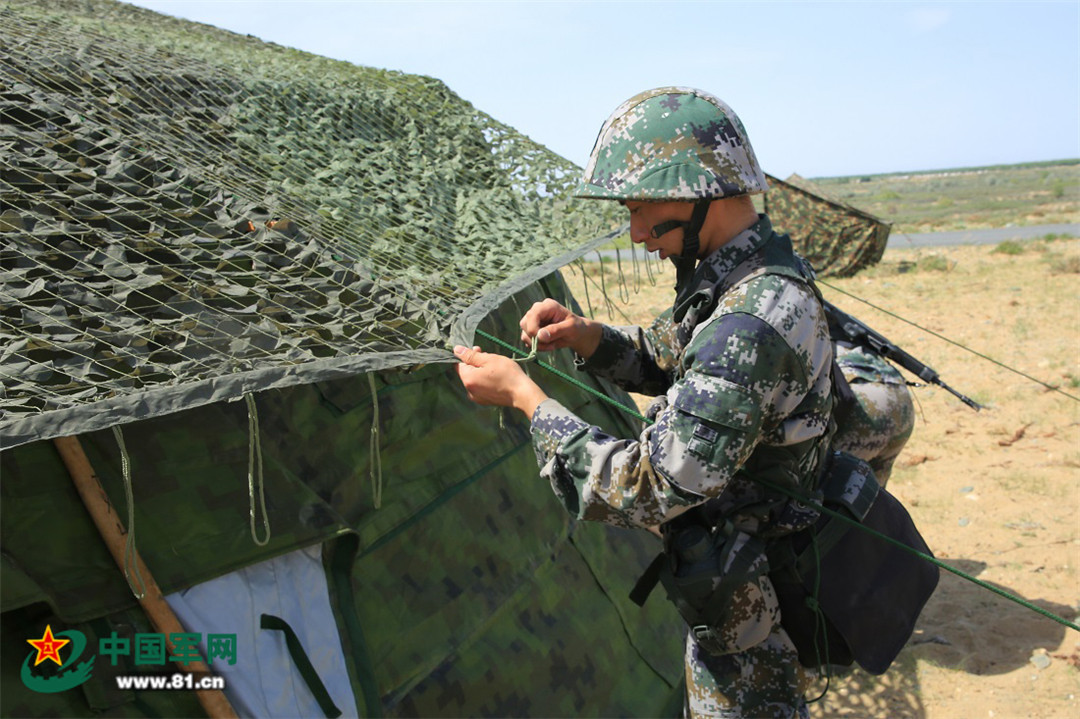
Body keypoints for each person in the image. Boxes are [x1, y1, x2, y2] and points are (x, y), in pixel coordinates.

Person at [454, 87, 834, 718]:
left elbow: (648, 487)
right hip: (747, 574)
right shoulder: (749, 274)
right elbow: (675, 352)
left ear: (695, 193)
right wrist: (587, 336)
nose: (635, 233)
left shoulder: (750, 323)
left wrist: (525, 399)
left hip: (750, 603)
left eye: (640, 209)